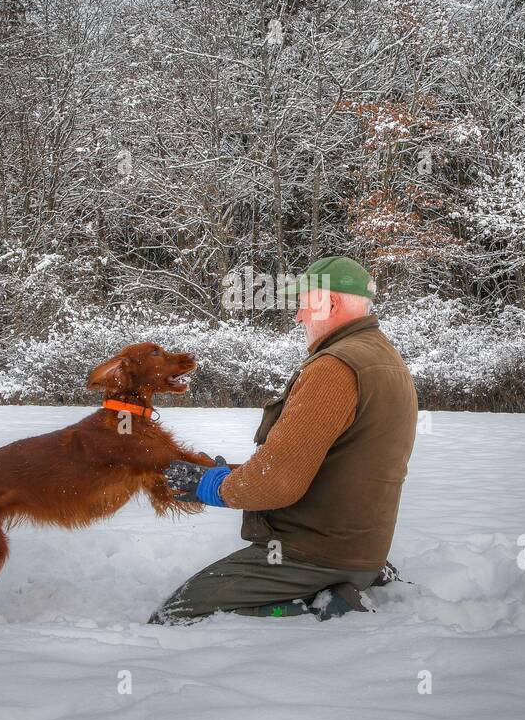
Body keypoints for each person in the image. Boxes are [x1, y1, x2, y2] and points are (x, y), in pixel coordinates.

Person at [147, 256, 418, 624]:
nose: (298, 317)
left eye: (304, 303)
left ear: (331, 303)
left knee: (176, 615)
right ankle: (353, 581)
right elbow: (327, 463)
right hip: (358, 549)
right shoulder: (383, 359)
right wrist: (227, 472)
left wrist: (210, 486)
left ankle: (319, 605)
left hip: (314, 554)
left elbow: (278, 484)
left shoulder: (334, 368)